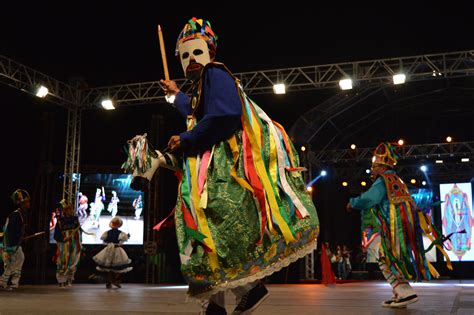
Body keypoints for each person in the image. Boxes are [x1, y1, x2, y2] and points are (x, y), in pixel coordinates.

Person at [160, 18, 319, 315]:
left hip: (220, 171)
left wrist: (186, 138)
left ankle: (247, 290)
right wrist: (174, 96)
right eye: (185, 56)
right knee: (207, 232)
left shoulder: (215, 73)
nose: (192, 60)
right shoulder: (202, 85)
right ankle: (216, 305)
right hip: (208, 169)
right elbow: (197, 109)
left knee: (216, 230)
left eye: (197, 52)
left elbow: (224, 114)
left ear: (210, 52)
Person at [347, 142, 451, 308]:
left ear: (381, 167)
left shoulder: (383, 180)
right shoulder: (397, 180)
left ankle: (405, 292)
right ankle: (400, 293)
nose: (372, 170)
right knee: (389, 258)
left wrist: (353, 203)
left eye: (374, 166)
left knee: (384, 258)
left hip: (396, 229)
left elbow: (370, 198)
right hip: (404, 228)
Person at [1, 189, 31, 290]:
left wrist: (22, 237)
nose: (28, 204)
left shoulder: (21, 215)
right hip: (12, 244)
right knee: (14, 261)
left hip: (15, 243)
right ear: (21, 203)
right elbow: (11, 231)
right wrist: (19, 237)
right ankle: (7, 282)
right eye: (26, 202)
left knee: (16, 261)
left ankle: (10, 283)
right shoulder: (16, 215)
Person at [93, 217, 132, 289]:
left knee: (112, 267)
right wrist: (126, 237)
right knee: (112, 268)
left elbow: (105, 242)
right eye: (114, 223)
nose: (114, 224)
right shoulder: (119, 233)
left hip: (111, 250)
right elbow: (121, 242)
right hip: (115, 250)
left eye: (115, 223)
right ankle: (112, 280)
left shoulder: (109, 232)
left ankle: (111, 281)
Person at [53, 199, 82, 288]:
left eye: (72, 208)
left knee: (73, 263)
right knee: (63, 262)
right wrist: (63, 239)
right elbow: (56, 235)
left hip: (74, 245)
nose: (72, 210)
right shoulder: (60, 221)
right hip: (64, 245)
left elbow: (79, 232)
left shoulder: (75, 220)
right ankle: (61, 281)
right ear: (65, 210)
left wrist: (79, 243)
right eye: (70, 209)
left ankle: (69, 280)